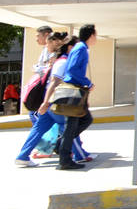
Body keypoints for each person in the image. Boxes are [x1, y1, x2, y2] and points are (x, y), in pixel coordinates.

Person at [15, 33, 91, 167]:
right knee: (68, 128)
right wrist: (46, 103)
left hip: (50, 102)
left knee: (38, 129)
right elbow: (54, 83)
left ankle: (22, 156)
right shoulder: (63, 62)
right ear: (70, 48)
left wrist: (46, 103)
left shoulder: (59, 61)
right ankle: (80, 155)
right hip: (56, 102)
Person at [55, 25, 97, 170]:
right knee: (73, 124)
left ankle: (61, 145)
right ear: (91, 35)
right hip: (74, 91)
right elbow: (72, 69)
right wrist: (87, 82)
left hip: (75, 89)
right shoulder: (81, 48)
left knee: (85, 119)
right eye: (95, 35)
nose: (96, 38)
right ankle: (65, 159)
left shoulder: (80, 47)